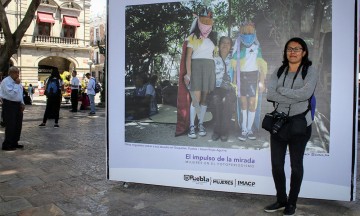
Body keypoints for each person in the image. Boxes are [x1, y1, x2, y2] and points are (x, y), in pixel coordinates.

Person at [264, 37, 318, 216]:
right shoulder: (279, 71)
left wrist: (283, 92)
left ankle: (292, 203)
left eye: (297, 49)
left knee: (296, 166)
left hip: (299, 124)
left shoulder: (310, 71)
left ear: (304, 52)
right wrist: (292, 95)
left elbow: (305, 94)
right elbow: (269, 93)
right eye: (289, 49)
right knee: (277, 165)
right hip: (279, 124)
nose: (292, 52)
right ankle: (281, 199)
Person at [183, 8, 217, 139]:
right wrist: (188, 74)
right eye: (203, 19)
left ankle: (200, 124)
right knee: (195, 100)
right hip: (196, 67)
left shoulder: (213, 37)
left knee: (204, 99)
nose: (206, 21)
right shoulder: (193, 36)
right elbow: (188, 57)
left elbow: (214, 55)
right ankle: (192, 126)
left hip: (209, 68)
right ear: (198, 20)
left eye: (208, 19)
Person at [231, 22, 267, 141]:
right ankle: (244, 129)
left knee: (252, 104)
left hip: (253, 77)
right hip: (242, 77)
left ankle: (250, 129)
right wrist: (235, 80)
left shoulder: (257, 45)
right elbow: (235, 64)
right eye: (245, 32)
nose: (247, 34)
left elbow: (261, 65)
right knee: (243, 104)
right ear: (241, 32)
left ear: (254, 32)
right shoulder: (238, 44)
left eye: (250, 32)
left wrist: (261, 81)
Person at [210, 36, 236, 142]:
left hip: (230, 88)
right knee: (217, 100)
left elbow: (236, 75)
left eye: (228, 43)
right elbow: (210, 74)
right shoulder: (214, 58)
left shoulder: (233, 59)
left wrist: (234, 86)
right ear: (219, 45)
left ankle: (224, 132)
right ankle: (217, 131)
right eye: (223, 43)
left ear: (230, 46)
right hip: (217, 88)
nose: (225, 45)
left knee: (227, 101)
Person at [0, 66, 25, 151]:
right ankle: (7, 144)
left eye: (18, 72)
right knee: (11, 125)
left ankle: (15, 142)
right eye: (16, 72)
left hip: (18, 105)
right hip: (9, 105)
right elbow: (11, 94)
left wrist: (22, 103)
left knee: (18, 125)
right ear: (10, 73)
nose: (17, 74)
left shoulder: (17, 81)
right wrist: (16, 84)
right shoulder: (6, 81)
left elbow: (20, 93)